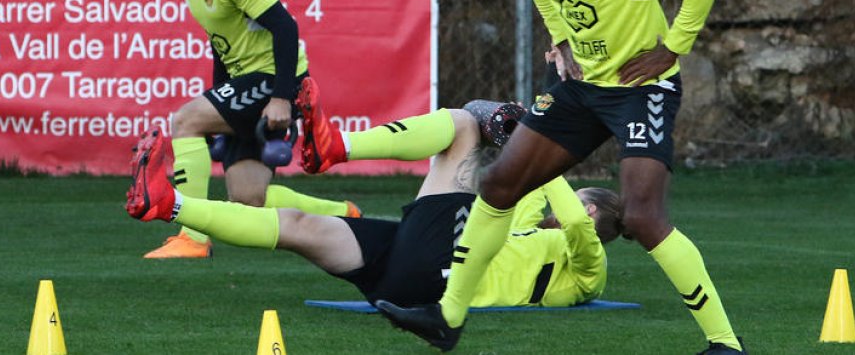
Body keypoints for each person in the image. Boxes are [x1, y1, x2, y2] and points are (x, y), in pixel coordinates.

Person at [377, 0, 746, 354]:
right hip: (578, 85)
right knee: (499, 184)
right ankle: (447, 317)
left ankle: (725, 343)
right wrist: (560, 37)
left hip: (640, 86)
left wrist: (674, 47)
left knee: (641, 217)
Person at [126, 101, 625, 312]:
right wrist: (534, 138)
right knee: (303, 226)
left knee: (463, 124)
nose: (568, 206)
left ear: (596, 214)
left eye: (582, 202)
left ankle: (336, 147)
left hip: (441, 277)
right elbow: (527, 188)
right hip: (410, 273)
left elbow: (574, 217)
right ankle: (169, 204)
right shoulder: (530, 232)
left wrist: (549, 158)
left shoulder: (585, 268)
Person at [141, 0, 358, 259]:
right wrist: (218, 99)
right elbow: (221, 42)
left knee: (185, 121)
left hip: (273, 80)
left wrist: (281, 98)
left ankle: (192, 237)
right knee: (248, 201)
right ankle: (344, 215)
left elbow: (286, 28)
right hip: (246, 82)